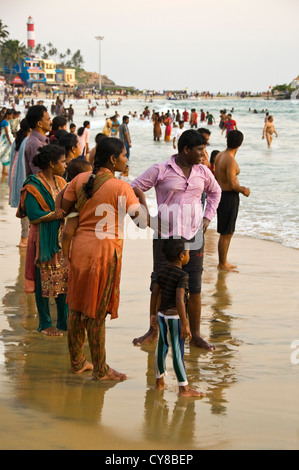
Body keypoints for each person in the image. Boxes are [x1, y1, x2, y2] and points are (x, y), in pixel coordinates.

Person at [60, 137, 148, 380]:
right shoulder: (121, 187)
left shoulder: (78, 179)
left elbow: (63, 208)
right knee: (96, 314)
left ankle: (78, 362)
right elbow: (142, 223)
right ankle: (101, 369)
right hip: (103, 253)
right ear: (112, 159)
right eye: (123, 155)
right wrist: (141, 197)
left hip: (79, 249)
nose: (126, 159)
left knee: (76, 309)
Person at [131, 130, 221, 350]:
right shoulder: (160, 169)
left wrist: (208, 217)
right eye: (199, 150)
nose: (203, 154)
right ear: (186, 150)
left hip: (194, 238)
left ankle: (196, 334)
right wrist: (146, 219)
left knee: (195, 286)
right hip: (166, 239)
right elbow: (132, 188)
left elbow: (215, 192)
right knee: (160, 286)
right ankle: (153, 331)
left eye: (204, 149)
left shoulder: (203, 172)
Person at [16, 144, 68, 336]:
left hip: (62, 238)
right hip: (41, 240)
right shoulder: (32, 186)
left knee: (64, 280)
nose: (65, 164)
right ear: (51, 164)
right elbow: (33, 215)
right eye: (62, 161)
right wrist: (56, 215)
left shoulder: (62, 182)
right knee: (43, 280)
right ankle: (45, 323)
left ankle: (64, 321)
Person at [152, 238, 205, 397]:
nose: (189, 255)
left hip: (161, 315)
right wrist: (185, 322)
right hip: (175, 318)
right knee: (177, 351)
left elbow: (155, 294)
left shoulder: (161, 272)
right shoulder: (183, 275)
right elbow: (179, 300)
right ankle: (184, 388)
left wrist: (153, 314)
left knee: (161, 347)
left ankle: (159, 381)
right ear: (182, 256)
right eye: (188, 252)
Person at [214, 130, 250, 272]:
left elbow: (218, 177)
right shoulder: (230, 160)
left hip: (221, 195)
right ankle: (222, 263)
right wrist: (244, 190)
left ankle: (223, 261)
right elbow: (233, 184)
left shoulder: (219, 155)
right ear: (240, 144)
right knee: (227, 232)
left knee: (225, 231)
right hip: (229, 196)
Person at [8, 118, 31, 247]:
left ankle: (24, 237)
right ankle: (24, 238)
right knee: (26, 208)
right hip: (22, 177)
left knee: (23, 208)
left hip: (15, 176)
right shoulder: (28, 141)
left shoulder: (18, 140)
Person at [24, 105, 52, 177]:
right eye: (48, 119)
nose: (51, 122)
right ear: (40, 124)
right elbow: (39, 174)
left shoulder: (42, 140)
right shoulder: (35, 144)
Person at [0, 109, 14, 175]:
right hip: (4, 141)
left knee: (5, 154)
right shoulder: (5, 122)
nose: (12, 116)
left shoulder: (6, 121)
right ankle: (4, 170)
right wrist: (10, 141)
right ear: (7, 115)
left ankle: (4, 170)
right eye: (11, 115)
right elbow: (7, 133)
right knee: (3, 153)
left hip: (5, 141)